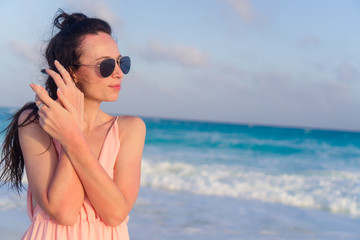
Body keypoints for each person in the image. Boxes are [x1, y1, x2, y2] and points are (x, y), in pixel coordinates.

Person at [0, 9, 146, 240]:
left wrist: (72, 136)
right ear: (71, 72)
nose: (119, 73)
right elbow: (64, 212)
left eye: (121, 62)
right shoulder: (34, 122)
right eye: (106, 65)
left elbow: (116, 213)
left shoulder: (130, 129)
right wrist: (73, 128)